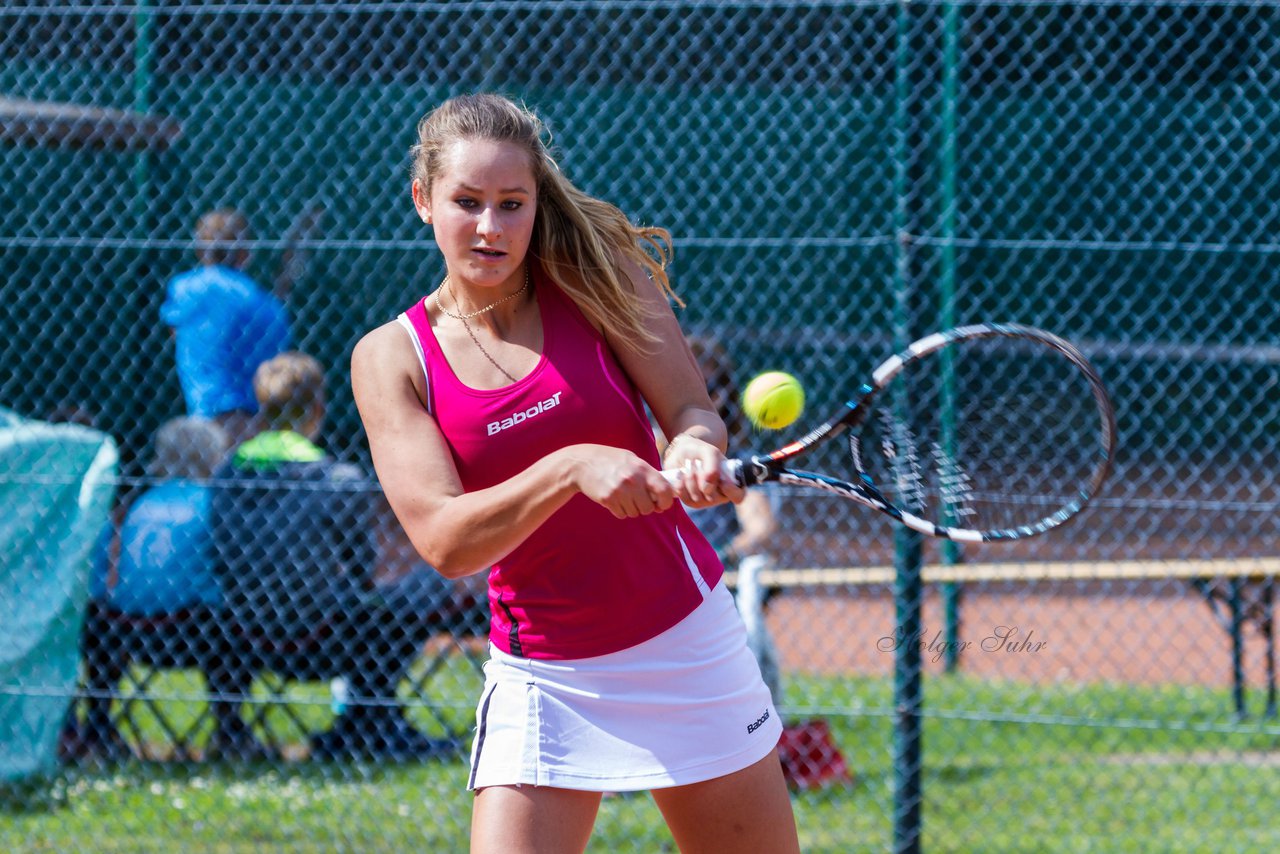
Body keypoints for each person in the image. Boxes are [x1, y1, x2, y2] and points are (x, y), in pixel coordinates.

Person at [351, 94, 799, 852]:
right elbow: (445, 540)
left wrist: (691, 450)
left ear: (535, 206)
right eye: (467, 203)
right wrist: (568, 467)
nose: (491, 228)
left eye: (511, 205)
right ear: (423, 200)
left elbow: (693, 410)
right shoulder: (392, 357)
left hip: (685, 643)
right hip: (545, 676)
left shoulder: (603, 281)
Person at [209, 351, 456, 761]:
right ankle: (371, 722)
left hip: (242, 635)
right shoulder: (339, 481)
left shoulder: (225, 475)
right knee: (425, 587)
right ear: (319, 409)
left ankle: (353, 724)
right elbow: (363, 573)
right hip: (324, 640)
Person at [59, 416, 264, 762]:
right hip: (196, 635)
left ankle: (98, 723)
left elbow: (100, 579)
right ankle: (230, 728)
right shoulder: (215, 504)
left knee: (98, 618)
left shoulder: (133, 507)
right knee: (235, 622)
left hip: (124, 633)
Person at [161, 207, 291, 444]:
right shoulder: (264, 303)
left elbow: (175, 330)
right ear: (245, 252)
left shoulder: (184, 288)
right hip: (254, 419)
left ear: (201, 249)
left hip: (203, 415)